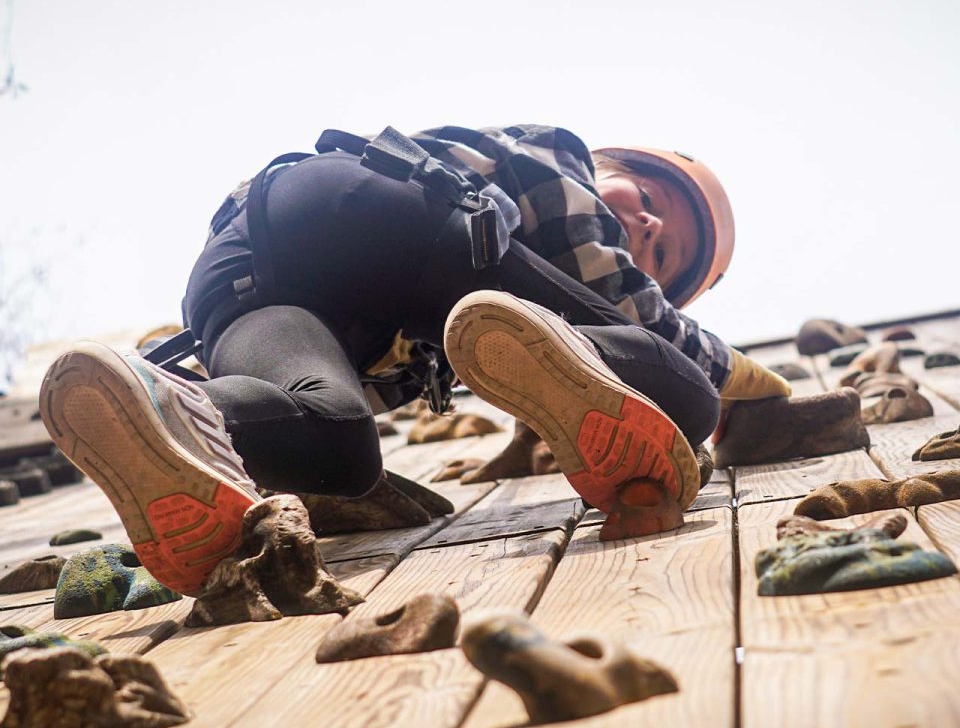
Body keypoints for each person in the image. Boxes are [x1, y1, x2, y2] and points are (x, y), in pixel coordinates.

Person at [39, 124, 789, 595]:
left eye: (664, 250)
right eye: (653, 197)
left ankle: (172, 407)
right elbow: (624, 301)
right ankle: (550, 344)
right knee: (681, 398)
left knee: (337, 445)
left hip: (246, 273)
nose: (649, 223)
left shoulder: (420, 348)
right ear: (609, 161)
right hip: (393, 217)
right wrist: (753, 380)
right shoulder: (557, 159)